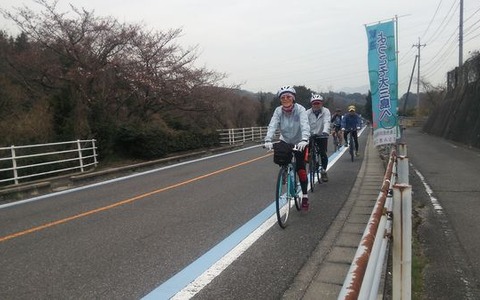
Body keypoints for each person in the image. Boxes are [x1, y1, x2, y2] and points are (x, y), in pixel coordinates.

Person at [264, 86, 311, 211]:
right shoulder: (278, 111)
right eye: (283, 97)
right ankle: (285, 170)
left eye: (288, 97)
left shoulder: (300, 109)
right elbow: (273, 124)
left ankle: (305, 196)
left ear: (293, 98)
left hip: (299, 140)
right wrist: (268, 139)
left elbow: (305, 124)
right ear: (280, 100)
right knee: (282, 158)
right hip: (285, 139)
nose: (285, 99)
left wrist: (305, 139)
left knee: (300, 168)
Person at [306, 94, 331, 182]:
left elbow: (327, 121)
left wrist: (325, 131)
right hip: (311, 135)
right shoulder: (307, 113)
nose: (316, 105)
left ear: (321, 103)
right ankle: (313, 162)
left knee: (322, 153)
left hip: (322, 134)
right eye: (314, 103)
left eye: (318, 103)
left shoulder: (326, 111)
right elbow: (304, 124)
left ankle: (323, 171)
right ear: (311, 104)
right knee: (307, 152)